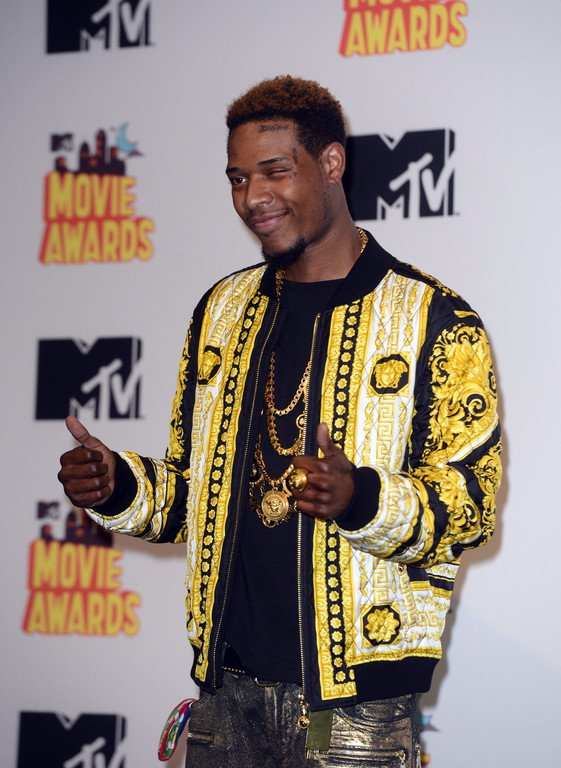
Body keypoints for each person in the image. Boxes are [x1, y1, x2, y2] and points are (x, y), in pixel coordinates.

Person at [58, 75, 502, 767]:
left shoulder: (433, 318)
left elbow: (471, 505)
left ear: (331, 163)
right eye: (238, 179)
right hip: (224, 693)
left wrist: (360, 498)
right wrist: (118, 485)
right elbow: (192, 497)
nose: (253, 197)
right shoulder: (222, 311)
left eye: (274, 171)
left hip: (355, 708)